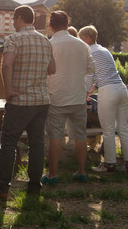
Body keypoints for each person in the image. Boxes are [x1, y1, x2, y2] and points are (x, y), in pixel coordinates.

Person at [0, 5, 55, 199]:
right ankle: (34, 187)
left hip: (20, 100)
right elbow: (52, 69)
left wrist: (8, 89)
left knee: (9, 143)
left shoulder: (14, 39)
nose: (13, 23)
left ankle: (2, 187)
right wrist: (36, 71)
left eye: (14, 19)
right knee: (37, 144)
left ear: (20, 19)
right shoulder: (46, 41)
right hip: (41, 99)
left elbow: (6, 64)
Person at [41, 11, 95, 185]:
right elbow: (90, 69)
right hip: (78, 95)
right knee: (80, 136)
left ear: (50, 26)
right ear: (67, 23)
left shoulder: (49, 44)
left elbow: (44, 70)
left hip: (56, 95)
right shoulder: (82, 45)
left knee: (55, 135)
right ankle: (81, 171)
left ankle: (53, 174)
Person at [78, 25, 128, 174]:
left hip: (108, 90)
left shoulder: (89, 52)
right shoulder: (104, 50)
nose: (80, 42)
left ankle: (109, 164)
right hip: (121, 88)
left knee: (108, 129)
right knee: (123, 128)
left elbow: (90, 76)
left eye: (81, 38)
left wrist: (85, 95)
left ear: (87, 38)